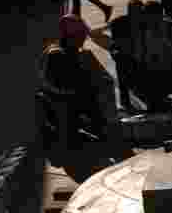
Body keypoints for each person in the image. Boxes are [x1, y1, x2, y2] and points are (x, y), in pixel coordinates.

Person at [40, 13, 116, 141]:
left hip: (68, 98)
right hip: (59, 103)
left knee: (96, 88)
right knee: (92, 91)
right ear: (70, 37)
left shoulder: (72, 51)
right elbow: (66, 85)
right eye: (81, 35)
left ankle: (95, 126)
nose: (84, 39)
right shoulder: (57, 54)